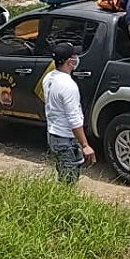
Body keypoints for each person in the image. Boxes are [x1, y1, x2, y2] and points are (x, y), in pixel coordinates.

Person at [43, 42, 97, 183]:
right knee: (69, 180)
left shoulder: (48, 78)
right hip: (65, 138)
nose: (77, 58)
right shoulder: (68, 86)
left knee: (63, 174)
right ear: (70, 61)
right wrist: (85, 145)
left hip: (53, 134)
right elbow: (74, 119)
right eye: (75, 56)